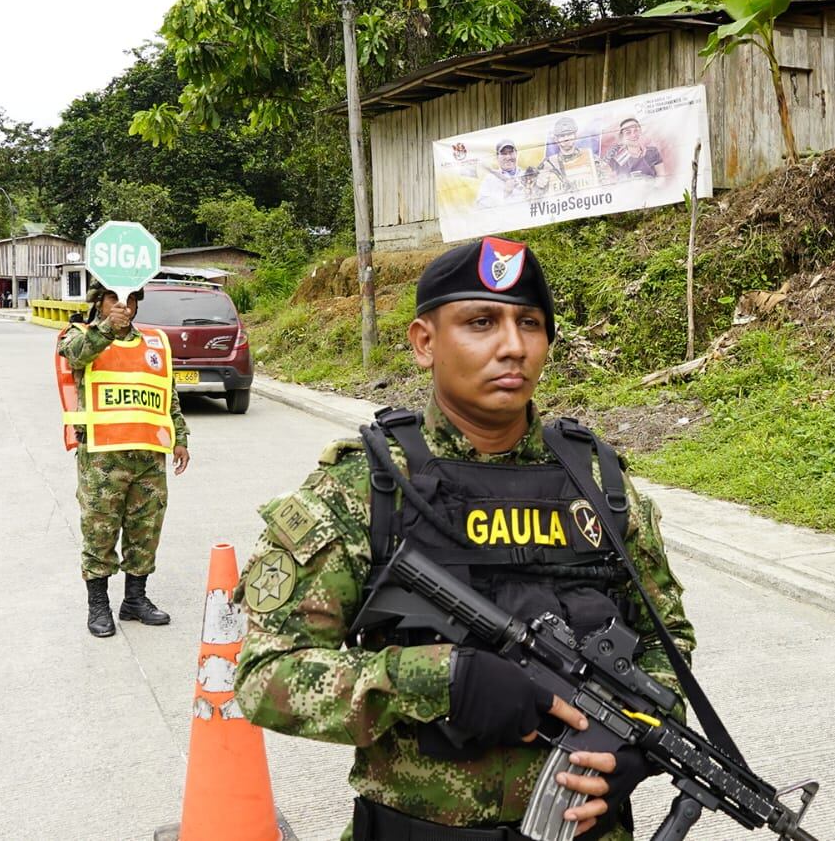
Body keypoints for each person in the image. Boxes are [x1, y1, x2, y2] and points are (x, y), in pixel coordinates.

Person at [234, 236, 700, 839]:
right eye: (481, 322)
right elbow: (265, 677)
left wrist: (632, 747)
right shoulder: (366, 489)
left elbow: (669, 643)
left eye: (529, 324)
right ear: (425, 342)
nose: (512, 346)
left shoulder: (601, 486)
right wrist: (437, 680)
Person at [56, 278, 191, 637]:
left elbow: (167, 392)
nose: (123, 305)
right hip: (103, 458)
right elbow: (74, 356)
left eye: (129, 298)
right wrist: (106, 329)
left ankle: (135, 600)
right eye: (114, 298)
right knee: (100, 533)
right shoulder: (80, 335)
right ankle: (98, 606)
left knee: (145, 531)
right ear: (99, 302)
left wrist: (180, 436)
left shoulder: (153, 343)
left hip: (148, 456)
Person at [535, 115, 600, 194]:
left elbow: (609, 184)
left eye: (569, 134)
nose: (566, 138)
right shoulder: (547, 164)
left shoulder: (591, 157)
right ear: (556, 139)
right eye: (562, 136)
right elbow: (532, 199)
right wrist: (538, 185)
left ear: (575, 135)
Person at [600, 117, 665, 182]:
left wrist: (655, 188)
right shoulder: (616, 155)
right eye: (628, 132)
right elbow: (604, 176)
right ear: (622, 136)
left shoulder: (652, 151)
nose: (633, 135)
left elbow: (662, 176)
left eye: (636, 130)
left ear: (641, 131)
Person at [474, 138, 529, 209]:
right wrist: (505, 193)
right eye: (504, 154)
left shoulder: (526, 174)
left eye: (511, 152)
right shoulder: (489, 180)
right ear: (497, 157)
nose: (508, 157)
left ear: (516, 153)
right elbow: (480, 205)